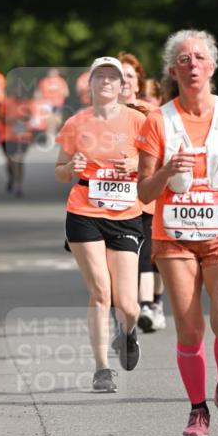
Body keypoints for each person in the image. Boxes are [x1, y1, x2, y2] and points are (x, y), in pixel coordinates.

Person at [137, 29, 218, 436]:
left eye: (199, 58)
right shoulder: (158, 121)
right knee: (189, 330)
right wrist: (168, 170)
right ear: (173, 70)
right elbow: (143, 191)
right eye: (184, 59)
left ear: (213, 66)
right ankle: (197, 411)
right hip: (173, 236)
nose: (192, 65)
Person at [55, 56, 145, 393]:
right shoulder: (76, 123)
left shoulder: (138, 121)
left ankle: (128, 330)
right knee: (100, 292)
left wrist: (134, 163)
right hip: (84, 212)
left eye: (113, 77)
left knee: (128, 304)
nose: (106, 82)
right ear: (89, 84)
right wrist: (72, 166)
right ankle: (102, 368)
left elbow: (155, 162)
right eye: (99, 77)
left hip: (125, 214)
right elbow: (60, 170)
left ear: (122, 86)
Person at [118, 51, 166, 333]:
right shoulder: (98, 115)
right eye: (117, 76)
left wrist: (136, 163)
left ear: (138, 83)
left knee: (148, 253)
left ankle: (149, 304)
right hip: (108, 203)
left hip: (144, 197)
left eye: (128, 76)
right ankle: (125, 309)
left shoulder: (149, 115)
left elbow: (161, 155)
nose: (122, 82)